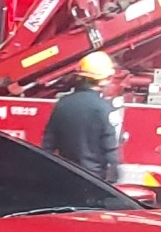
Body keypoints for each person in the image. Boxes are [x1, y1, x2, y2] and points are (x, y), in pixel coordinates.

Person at [41, 51, 120, 181]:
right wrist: (113, 178)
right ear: (103, 80)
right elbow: (110, 148)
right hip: (93, 180)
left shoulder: (62, 104)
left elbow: (48, 144)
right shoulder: (104, 108)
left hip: (66, 176)